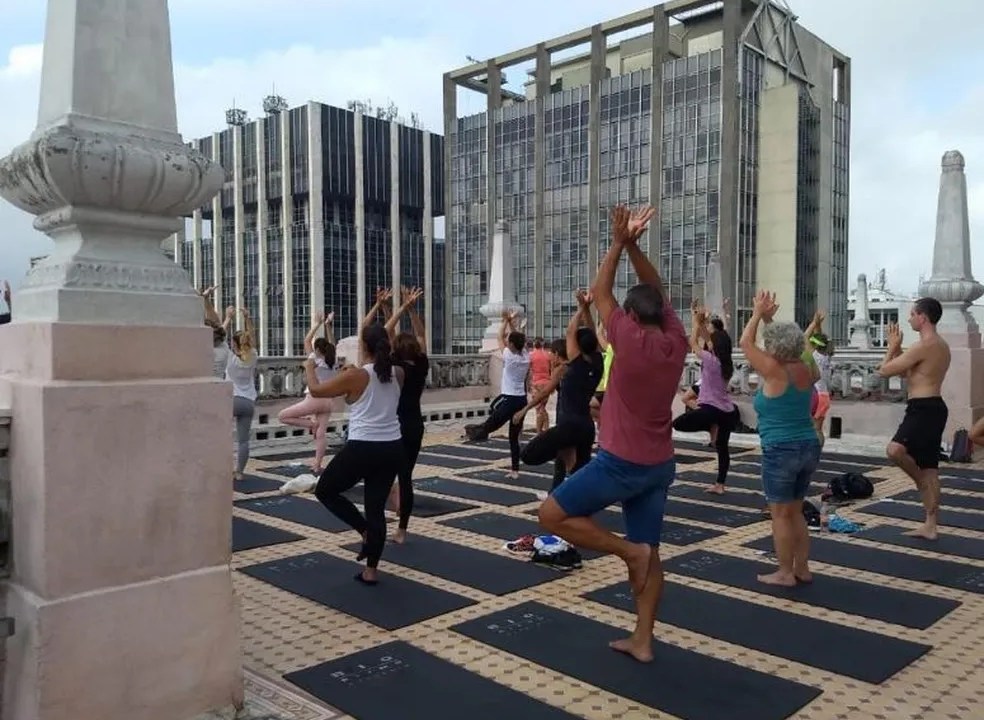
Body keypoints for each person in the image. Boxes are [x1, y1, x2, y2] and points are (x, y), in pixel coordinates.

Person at [538, 204, 687, 664]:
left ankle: (627, 553)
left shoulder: (629, 337)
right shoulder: (676, 339)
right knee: (652, 551)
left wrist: (620, 242)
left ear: (628, 319)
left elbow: (601, 290)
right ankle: (643, 638)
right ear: (660, 315)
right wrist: (636, 245)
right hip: (659, 466)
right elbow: (657, 291)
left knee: (551, 515)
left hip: (621, 463)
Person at [307, 323, 406, 585]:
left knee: (325, 490)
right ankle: (371, 570)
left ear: (364, 347)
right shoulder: (398, 373)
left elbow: (317, 391)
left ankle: (363, 530)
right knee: (375, 508)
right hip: (392, 446)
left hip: (363, 446)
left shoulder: (358, 375)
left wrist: (309, 367)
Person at [739, 290, 821, 586]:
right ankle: (802, 568)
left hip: (781, 449)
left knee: (781, 515)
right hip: (808, 445)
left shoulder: (774, 370)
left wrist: (758, 313)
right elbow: (790, 343)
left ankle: (785, 572)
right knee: (796, 511)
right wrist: (771, 319)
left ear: (774, 349)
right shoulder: (807, 368)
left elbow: (745, 343)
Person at [513, 290, 604, 491]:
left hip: (569, 426)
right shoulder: (598, 364)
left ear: (578, 348)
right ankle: (571, 498)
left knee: (528, 455)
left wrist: (581, 308)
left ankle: (569, 467)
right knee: (578, 472)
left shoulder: (575, 364)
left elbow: (571, 331)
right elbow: (591, 335)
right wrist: (587, 310)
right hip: (586, 427)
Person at [877, 298, 951, 540]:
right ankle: (931, 525)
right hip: (932, 406)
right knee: (930, 467)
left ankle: (919, 483)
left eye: (912, 314)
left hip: (923, 408)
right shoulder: (939, 345)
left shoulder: (925, 345)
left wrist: (891, 346)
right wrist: (899, 349)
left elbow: (884, 371)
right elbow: (911, 374)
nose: (909, 319)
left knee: (895, 450)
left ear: (923, 317)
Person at [672, 301, 738, 494]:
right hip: (727, 411)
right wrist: (702, 321)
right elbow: (709, 340)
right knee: (722, 448)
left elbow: (692, 343)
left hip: (711, 410)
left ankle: (709, 426)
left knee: (678, 424)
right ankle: (720, 485)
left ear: (714, 346)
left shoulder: (711, 361)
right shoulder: (727, 364)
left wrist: (695, 321)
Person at [384, 286, 429, 543]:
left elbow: (387, 331)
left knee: (387, 475)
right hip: (415, 424)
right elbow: (422, 335)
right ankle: (402, 530)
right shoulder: (421, 366)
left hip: (394, 425)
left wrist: (396, 309)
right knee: (406, 477)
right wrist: (411, 309)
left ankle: (386, 510)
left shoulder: (394, 367)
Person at [463, 311, 530, 478]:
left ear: (512, 345)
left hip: (509, 400)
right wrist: (511, 323)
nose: (507, 342)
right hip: (521, 400)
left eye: (509, 341)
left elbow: (500, 337)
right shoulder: (525, 356)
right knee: (513, 437)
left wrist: (505, 321)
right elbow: (517, 338)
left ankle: (473, 433)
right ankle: (515, 470)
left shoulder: (509, 356)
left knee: (489, 425)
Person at [277, 311, 338, 473]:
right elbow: (332, 343)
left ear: (317, 349)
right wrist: (328, 326)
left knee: (283, 416)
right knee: (321, 435)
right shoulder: (333, 360)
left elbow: (306, 340)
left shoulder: (314, 359)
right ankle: (317, 464)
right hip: (329, 401)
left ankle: (311, 424)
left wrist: (317, 324)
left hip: (314, 399)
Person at [227, 306, 258, 482]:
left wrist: (228, 317)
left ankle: (223, 467)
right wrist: (247, 317)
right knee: (243, 441)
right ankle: (239, 472)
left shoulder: (230, 359)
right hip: (248, 402)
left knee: (222, 436)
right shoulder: (252, 355)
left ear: (234, 344)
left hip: (231, 400)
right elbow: (252, 337)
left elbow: (218, 336)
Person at [529, 338, 554, 434]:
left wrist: (528, 384)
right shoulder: (548, 355)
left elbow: (529, 371)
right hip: (547, 383)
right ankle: (544, 429)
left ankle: (540, 431)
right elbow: (551, 370)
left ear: (534, 344)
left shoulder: (531, 355)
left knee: (539, 408)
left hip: (536, 383)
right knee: (542, 407)